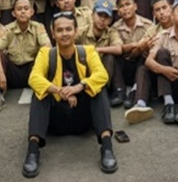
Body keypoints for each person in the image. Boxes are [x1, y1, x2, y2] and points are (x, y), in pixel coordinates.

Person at [22, 11, 117, 178]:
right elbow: (34, 78)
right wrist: (60, 91)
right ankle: (32, 151)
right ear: (53, 34)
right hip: (56, 120)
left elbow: (102, 75)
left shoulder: (88, 51)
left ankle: (107, 147)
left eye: (68, 29)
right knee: (39, 93)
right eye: (59, 30)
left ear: (76, 31)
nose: (64, 34)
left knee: (98, 88)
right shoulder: (46, 54)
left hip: (83, 118)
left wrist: (79, 87)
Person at [126, 0, 178, 126]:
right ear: (172, 15)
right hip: (167, 83)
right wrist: (164, 70)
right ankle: (168, 104)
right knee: (161, 53)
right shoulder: (161, 35)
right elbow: (148, 61)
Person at [0, 0, 51, 115]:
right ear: (13, 13)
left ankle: (46, 93)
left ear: (32, 12)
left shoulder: (38, 27)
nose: (23, 12)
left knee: (44, 52)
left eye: (26, 9)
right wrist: (0, 72)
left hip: (31, 71)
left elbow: (47, 46)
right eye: (19, 9)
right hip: (13, 72)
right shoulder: (7, 29)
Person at [111, 0, 155, 108]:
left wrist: (140, 49)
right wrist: (137, 46)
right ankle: (119, 90)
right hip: (124, 65)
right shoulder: (115, 28)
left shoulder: (148, 25)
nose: (125, 8)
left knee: (144, 58)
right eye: (121, 6)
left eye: (128, 4)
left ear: (135, 6)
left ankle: (135, 92)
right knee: (112, 56)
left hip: (140, 66)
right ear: (118, 11)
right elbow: (118, 47)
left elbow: (150, 46)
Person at [76, 0, 124, 105]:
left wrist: (98, 50)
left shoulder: (111, 32)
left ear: (110, 20)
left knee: (110, 57)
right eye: (99, 15)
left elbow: (119, 49)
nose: (102, 19)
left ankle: (105, 90)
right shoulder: (82, 31)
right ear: (92, 15)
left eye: (106, 17)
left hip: (103, 73)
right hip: (84, 69)